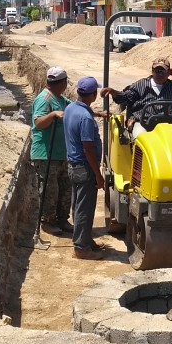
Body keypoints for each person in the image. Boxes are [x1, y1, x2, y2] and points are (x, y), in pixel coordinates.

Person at [100, 57, 172, 140]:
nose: (160, 74)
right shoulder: (141, 85)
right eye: (157, 71)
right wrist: (113, 92)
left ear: (168, 73)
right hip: (144, 123)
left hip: (167, 124)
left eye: (163, 71)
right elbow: (125, 97)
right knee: (140, 138)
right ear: (152, 71)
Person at [64, 76, 106, 260]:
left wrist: (97, 114)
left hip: (74, 165)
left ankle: (86, 240)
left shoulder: (71, 108)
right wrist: (98, 175)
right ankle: (81, 247)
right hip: (85, 167)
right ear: (94, 94)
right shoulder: (86, 118)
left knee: (78, 205)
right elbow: (88, 149)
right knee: (84, 208)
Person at [31, 67, 73, 236]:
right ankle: (48, 222)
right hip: (46, 155)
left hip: (61, 153)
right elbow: (39, 123)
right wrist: (53, 114)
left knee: (65, 188)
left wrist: (97, 113)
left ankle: (62, 219)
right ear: (62, 83)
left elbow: (75, 109)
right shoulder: (44, 100)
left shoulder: (61, 98)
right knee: (50, 190)